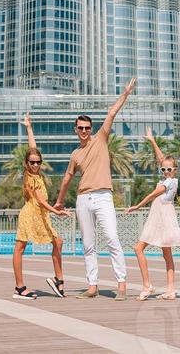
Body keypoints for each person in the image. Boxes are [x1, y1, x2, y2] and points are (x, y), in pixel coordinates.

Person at [54, 78, 136, 300]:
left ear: (91, 129)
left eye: (87, 128)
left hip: (103, 196)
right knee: (88, 245)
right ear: (75, 129)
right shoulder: (75, 154)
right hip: (83, 199)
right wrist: (60, 201)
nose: (84, 130)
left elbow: (111, 113)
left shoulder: (100, 139)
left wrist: (126, 93)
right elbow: (67, 178)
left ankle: (121, 285)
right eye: (80, 128)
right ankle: (92, 286)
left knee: (112, 238)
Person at [13, 112, 69, 300]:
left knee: (57, 242)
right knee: (20, 247)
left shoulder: (36, 173)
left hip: (41, 215)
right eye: (32, 162)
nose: (36, 165)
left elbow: (32, 147)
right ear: (26, 164)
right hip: (31, 214)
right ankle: (20, 287)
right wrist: (57, 211)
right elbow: (41, 201)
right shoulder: (30, 178)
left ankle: (58, 280)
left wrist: (29, 128)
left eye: (38, 162)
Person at [126, 127, 180, 301]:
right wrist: (152, 141)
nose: (166, 172)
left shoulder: (171, 182)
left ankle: (148, 285)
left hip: (163, 218)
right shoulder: (168, 177)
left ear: (175, 170)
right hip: (159, 216)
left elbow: (153, 194)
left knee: (139, 249)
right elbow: (162, 159)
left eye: (169, 169)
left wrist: (137, 206)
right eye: (163, 170)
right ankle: (170, 289)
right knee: (165, 254)